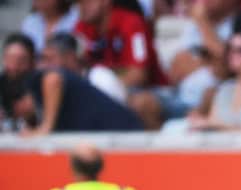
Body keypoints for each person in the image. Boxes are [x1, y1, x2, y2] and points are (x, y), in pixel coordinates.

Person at [2, 67, 144, 134]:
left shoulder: (35, 84)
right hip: (103, 138)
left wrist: (45, 128)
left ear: (17, 105)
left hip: (123, 130)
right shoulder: (38, 112)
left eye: (14, 114)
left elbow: (53, 80)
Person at [75, 0, 167, 88]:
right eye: (78, 2)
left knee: (140, 101)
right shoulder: (82, 27)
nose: (81, 6)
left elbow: (139, 75)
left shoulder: (131, 23)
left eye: (87, 1)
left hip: (151, 91)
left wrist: (104, 89)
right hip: (104, 93)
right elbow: (71, 67)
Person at [40, 32, 127, 104]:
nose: (44, 66)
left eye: (50, 59)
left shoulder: (100, 78)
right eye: (43, 59)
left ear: (70, 58)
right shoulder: (56, 89)